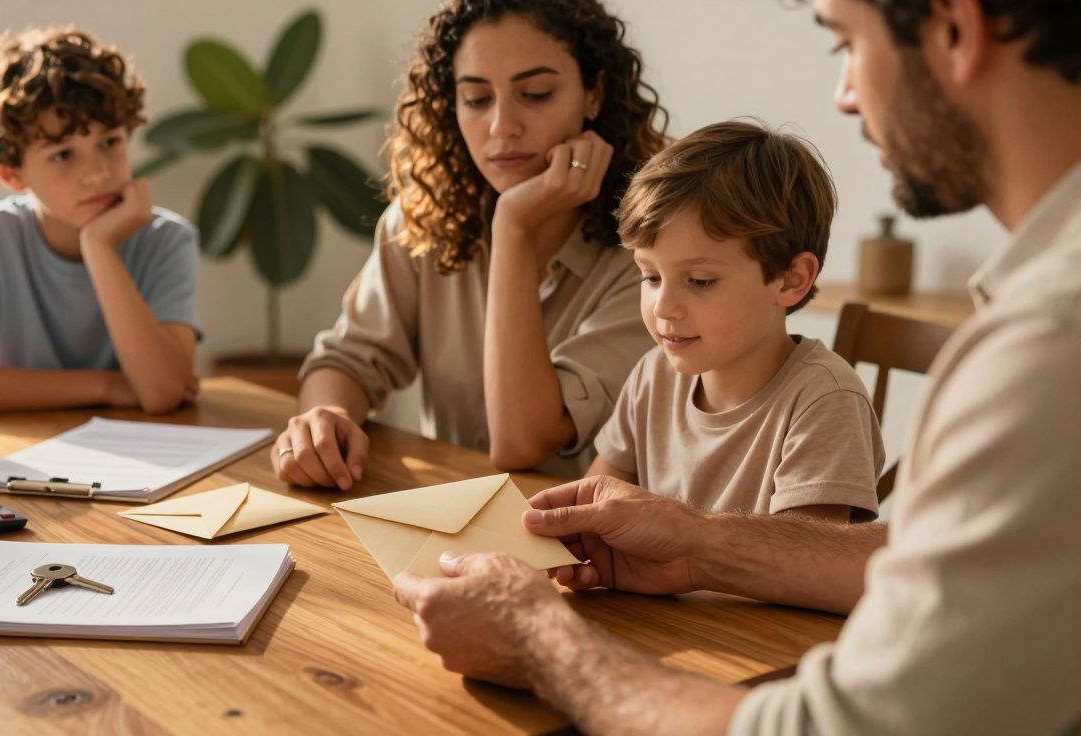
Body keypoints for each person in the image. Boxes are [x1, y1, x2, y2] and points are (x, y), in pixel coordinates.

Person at [394, 0, 1081, 733]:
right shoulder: (1035, 316)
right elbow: (914, 566)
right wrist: (695, 546)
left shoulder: (1047, 345)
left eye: (844, 42)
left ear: (955, 27)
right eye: (653, 277)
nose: (844, 95)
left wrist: (538, 641)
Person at [274, 0, 669, 490]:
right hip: (448, 522)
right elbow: (347, 359)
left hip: (582, 548)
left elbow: (521, 444)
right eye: (477, 100)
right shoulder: (423, 222)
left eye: (536, 93)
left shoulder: (651, 258)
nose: (502, 126)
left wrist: (514, 228)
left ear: (594, 94)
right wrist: (325, 416)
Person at [589, 120, 882, 522]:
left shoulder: (824, 401)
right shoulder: (653, 376)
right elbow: (591, 509)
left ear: (791, 279)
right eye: (651, 277)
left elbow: (805, 573)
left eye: (700, 281)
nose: (663, 307)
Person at [0, 26, 200, 415]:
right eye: (63, 155)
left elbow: (162, 391)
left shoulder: (166, 240)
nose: (99, 173)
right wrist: (105, 386)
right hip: (21, 454)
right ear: (10, 173)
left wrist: (99, 247)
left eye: (110, 142)